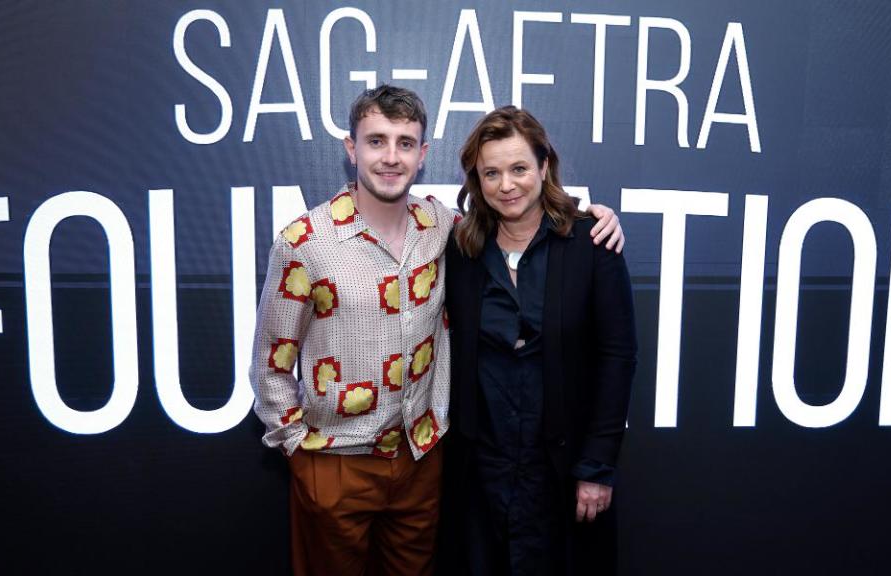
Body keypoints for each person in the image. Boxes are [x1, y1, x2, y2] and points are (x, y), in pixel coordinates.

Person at [250, 86, 624, 575]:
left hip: (421, 463)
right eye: (376, 141)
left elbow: (521, 218)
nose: (390, 157)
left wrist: (591, 213)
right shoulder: (305, 241)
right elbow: (271, 361)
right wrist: (300, 451)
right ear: (350, 148)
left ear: (423, 155)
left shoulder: (442, 227)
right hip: (334, 462)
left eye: (405, 143)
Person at [442, 106, 638, 575]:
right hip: (480, 477)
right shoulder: (460, 249)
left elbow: (618, 357)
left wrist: (596, 466)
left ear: (544, 166)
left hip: (564, 475)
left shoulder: (593, 242)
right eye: (491, 173)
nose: (506, 185)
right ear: (477, 180)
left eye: (519, 168)